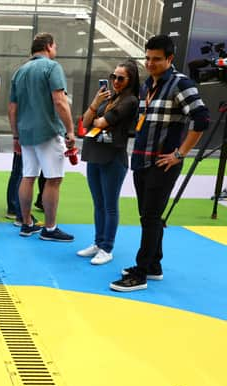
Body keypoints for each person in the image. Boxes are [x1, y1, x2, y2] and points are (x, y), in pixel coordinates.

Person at [110, 35, 209, 291]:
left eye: (156, 59)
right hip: (142, 160)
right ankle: (154, 265)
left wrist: (180, 154)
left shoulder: (180, 84)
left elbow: (201, 119)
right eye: (148, 58)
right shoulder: (146, 86)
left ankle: (140, 273)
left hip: (164, 163)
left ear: (170, 59)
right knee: (148, 216)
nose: (150, 63)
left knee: (151, 217)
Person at [9, 32, 76, 242]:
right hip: (48, 131)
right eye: (55, 46)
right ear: (48, 47)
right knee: (54, 179)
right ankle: (50, 227)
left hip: (26, 133)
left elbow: (12, 108)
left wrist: (16, 137)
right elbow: (60, 101)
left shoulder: (20, 71)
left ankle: (26, 223)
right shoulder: (52, 67)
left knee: (28, 176)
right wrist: (71, 130)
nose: (55, 50)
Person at [78, 60, 140, 266]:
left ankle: (107, 248)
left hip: (113, 157)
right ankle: (98, 243)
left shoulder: (130, 101)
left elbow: (102, 122)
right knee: (98, 203)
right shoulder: (107, 97)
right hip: (95, 153)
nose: (115, 81)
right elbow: (85, 122)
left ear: (130, 80)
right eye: (114, 76)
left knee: (110, 205)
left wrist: (96, 116)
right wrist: (95, 103)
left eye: (121, 78)